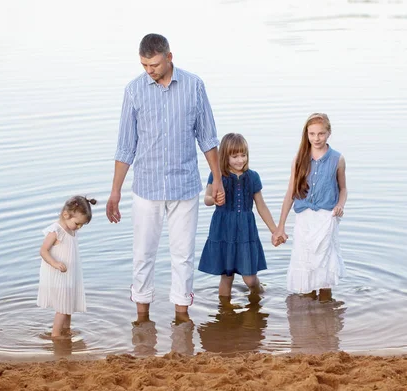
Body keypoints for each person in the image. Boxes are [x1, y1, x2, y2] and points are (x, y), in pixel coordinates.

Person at [106, 33, 225, 317]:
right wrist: (115, 191)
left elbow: (207, 138)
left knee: (183, 256)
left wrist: (218, 178)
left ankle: (182, 315)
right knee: (143, 255)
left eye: (155, 65)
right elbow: (126, 146)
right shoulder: (133, 90)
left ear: (169, 57)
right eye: (144, 65)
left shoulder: (194, 86)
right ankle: (142, 315)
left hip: (185, 186)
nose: (149, 71)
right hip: (146, 187)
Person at [272, 113, 347, 302]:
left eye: (321, 134)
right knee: (305, 266)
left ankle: (325, 313)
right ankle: (307, 317)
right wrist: (280, 226)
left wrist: (340, 204)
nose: (316, 138)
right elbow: (290, 193)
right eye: (312, 134)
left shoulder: (337, 159)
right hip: (304, 218)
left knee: (324, 266)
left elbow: (343, 188)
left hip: (326, 217)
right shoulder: (299, 159)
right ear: (306, 134)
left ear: (329, 133)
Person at [198, 133, 279, 298]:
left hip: (245, 231)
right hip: (223, 229)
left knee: (249, 278)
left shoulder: (252, 177)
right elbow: (206, 199)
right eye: (234, 156)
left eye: (243, 155)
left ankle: (258, 295)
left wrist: (275, 230)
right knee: (226, 277)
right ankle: (225, 314)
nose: (240, 160)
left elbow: (261, 206)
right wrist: (213, 199)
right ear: (224, 156)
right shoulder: (217, 175)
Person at [37, 195, 96, 337]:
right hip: (58, 276)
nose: (79, 227)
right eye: (77, 223)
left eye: (82, 225)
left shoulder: (72, 230)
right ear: (65, 215)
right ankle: (56, 335)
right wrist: (55, 263)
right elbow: (43, 251)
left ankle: (66, 331)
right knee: (62, 309)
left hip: (69, 276)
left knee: (68, 306)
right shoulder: (56, 231)